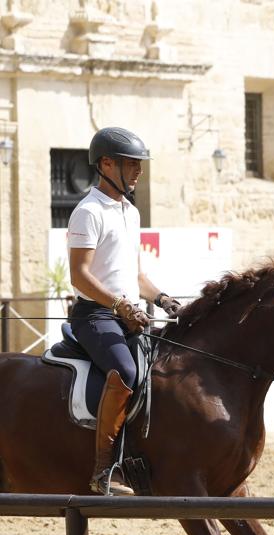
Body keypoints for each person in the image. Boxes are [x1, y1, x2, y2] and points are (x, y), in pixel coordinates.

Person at [67, 126, 181, 496]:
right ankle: (104, 470)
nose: (138, 171)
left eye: (140, 164)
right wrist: (119, 305)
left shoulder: (130, 212)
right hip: (95, 317)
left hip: (128, 314)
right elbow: (80, 276)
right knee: (126, 370)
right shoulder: (88, 211)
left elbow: (136, 275)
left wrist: (163, 299)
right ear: (105, 164)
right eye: (131, 163)